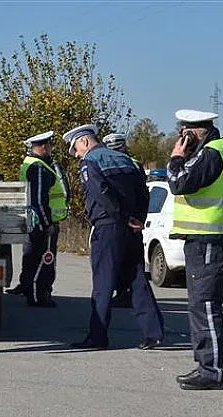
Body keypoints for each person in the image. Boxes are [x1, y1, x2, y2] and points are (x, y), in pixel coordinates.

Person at [64, 124, 165, 351]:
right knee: (137, 279)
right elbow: (144, 193)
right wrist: (138, 219)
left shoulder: (90, 162)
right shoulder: (128, 161)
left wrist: (122, 217)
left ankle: (97, 337)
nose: (76, 155)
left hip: (108, 226)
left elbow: (101, 193)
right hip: (133, 229)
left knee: (103, 282)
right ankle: (154, 333)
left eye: (76, 149)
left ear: (85, 142)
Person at [167, 109, 223, 390]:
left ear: (196, 132)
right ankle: (206, 366)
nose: (181, 138)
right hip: (210, 238)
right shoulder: (219, 150)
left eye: (184, 133)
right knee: (201, 304)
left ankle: (211, 371)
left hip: (208, 239)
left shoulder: (211, 153)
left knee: (205, 304)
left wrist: (177, 157)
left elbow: (178, 183)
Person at [5, 131, 69, 307]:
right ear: (43, 147)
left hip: (35, 221)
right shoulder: (39, 167)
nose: (50, 148)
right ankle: (38, 295)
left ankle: (29, 287)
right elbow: (39, 199)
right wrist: (46, 224)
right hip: (43, 222)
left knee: (32, 257)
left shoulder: (32, 163)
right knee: (44, 259)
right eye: (48, 145)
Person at [103, 132, 139, 309]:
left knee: (121, 260)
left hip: (120, 220)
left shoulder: (106, 163)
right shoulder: (133, 164)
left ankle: (124, 293)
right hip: (130, 219)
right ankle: (125, 293)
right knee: (126, 260)